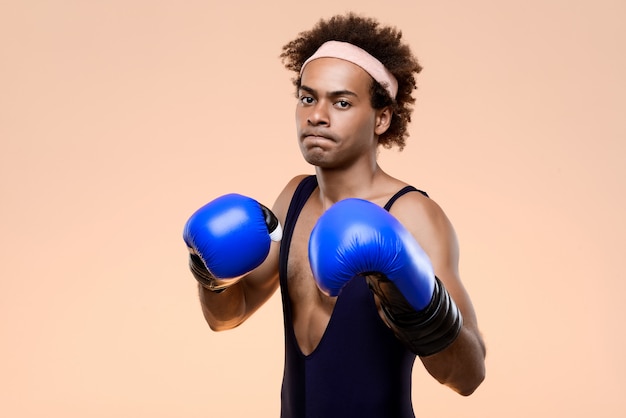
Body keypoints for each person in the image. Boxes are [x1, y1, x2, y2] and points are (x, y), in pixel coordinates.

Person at [183, 13, 486, 417]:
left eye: (341, 102)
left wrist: (415, 296)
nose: (317, 115)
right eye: (308, 98)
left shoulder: (413, 214)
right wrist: (210, 275)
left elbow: (468, 376)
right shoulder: (294, 196)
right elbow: (227, 316)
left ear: (382, 118)